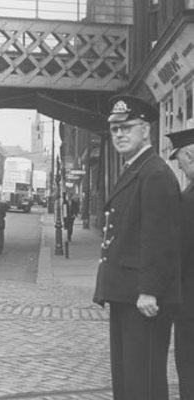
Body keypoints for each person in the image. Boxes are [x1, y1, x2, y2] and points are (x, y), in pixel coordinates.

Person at [93, 94, 182, 400]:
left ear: (145, 130)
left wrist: (150, 289)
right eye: (115, 128)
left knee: (142, 379)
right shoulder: (137, 168)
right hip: (126, 292)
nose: (119, 134)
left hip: (143, 297)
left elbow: (160, 239)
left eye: (127, 127)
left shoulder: (154, 173)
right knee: (128, 377)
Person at [166, 127, 194, 399]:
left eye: (182, 162)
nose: (183, 169)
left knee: (189, 368)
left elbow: (179, 252)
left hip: (190, 303)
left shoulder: (188, 199)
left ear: (191, 155)